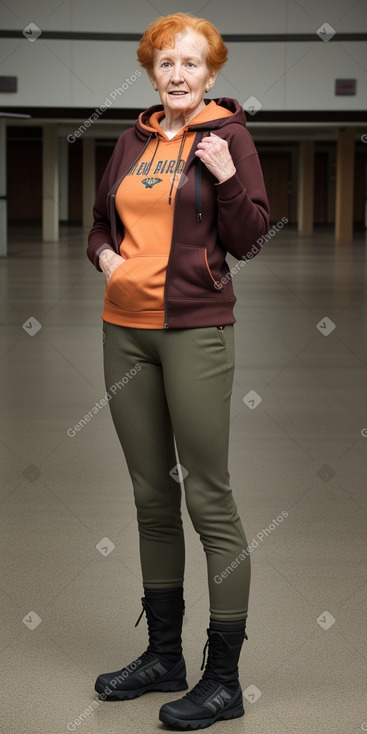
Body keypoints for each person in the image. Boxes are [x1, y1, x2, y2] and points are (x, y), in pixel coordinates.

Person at [87, 11, 269, 730]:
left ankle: (223, 680)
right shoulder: (130, 140)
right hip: (124, 332)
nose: (178, 74)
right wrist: (106, 261)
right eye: (166, 63)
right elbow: (101, 221)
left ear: (211, 74)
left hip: (196, 331)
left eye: (192, 63)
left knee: (208, 499)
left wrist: (225, 179)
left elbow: (250, 237)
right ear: (152, 72)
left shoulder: (229, 138)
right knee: (148, 495)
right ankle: (164, 656)